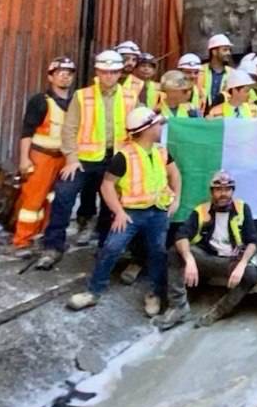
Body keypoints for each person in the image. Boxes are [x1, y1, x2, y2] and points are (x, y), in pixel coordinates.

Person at [67, 107, 180, 315]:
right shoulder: (124, 156)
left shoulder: (161, 151)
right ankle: (93, 292)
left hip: (158, 211)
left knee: (158, 252)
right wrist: (118, 211)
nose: (160, 127)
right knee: (112, 247)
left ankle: (155, 293)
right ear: (146, 129)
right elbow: (107, 185)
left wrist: (176, 199)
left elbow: (175, 174)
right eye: (156, 124)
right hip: (131, 213)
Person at [36, 50, 135, 268]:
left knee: (112, 204)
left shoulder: (130, 97)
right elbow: (69, 129)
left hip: (116, 158)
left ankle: (105, 247)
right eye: (105, 71)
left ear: (120, 73)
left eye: (113, 72)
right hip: (84, 159)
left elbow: (136, 128)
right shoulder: (83, 96)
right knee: (63, 194)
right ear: (97, 71)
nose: (109, 76)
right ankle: (53, 247)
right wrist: (71, 159)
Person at [154, 170, 257, 330]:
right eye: (218, 190)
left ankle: (218, 312)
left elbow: (253, 241)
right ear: (212, 192)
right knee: (175, 252)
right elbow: (181, 235)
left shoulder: (242, 209)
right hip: (206, 257)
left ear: (232, 191)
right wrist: (189, 259)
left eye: (227, 189)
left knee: (251, 275)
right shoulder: (201, 211)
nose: (223, 194)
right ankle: (178, 307)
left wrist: (242, 264)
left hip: (231, 260)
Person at [12, 56, 76, 254]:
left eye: (69, 73)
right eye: (60, 73)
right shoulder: (40, 101)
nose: (65, 77)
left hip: (64, 159)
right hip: (41, 157)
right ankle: (22, 241)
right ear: (51, 76)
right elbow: (27, 131)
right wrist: (24, 159)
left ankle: (43, 236)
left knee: (55, 200)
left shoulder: (76, 102)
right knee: (33, 200)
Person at [198, 34, 234, 110]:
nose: (228, 53)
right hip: (201, 114)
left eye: (229, 50)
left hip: (222, 115)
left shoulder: (232, 73)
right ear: (214, 52)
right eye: (225, 50)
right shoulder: (200, 70)